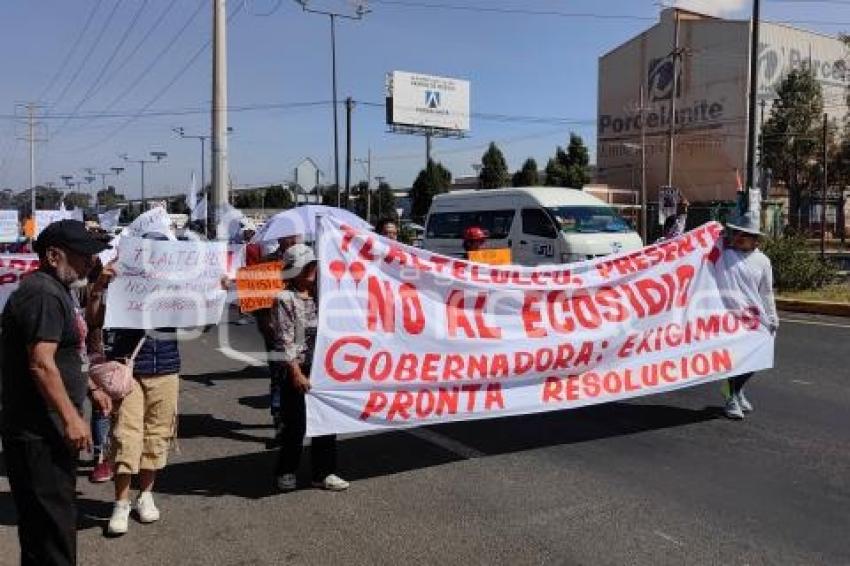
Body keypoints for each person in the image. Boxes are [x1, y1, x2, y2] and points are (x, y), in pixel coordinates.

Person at [1, 220, 112, 566]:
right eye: (83, 257)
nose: (90, 264)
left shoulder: (55, 289)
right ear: (53, 255)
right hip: (39, 433)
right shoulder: (43, 293)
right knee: (52, 532)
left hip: (46, 430)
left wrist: (90, 385)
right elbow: (41, 363)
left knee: (46, 529)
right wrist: (72, 419)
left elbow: (67, 352)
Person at [104, 233, 182, 536]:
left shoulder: (176, 285)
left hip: (165, 365)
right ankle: (120, 502)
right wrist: (102, 285)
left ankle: (145, 495)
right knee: (126, 434)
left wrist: (214, 294)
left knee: (157, 433)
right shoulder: (121, 280)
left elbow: (198, 321)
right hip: (129, 366)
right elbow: (97, 318)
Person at [270, 244, 348, 492]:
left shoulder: (323, 295)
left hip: (323, 368)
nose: (311, 270)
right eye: (306, 266)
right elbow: (285, 341)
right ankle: (286, 470)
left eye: (313, 264)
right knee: (296, 425)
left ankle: (323, 473)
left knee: (327, 422)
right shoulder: (285, 299)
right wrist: (295, 372)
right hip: (298, 369)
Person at [716, 210, 778, 420]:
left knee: (757, 358)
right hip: (729, 316)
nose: (738, 238)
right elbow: (705, 241)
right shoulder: (725, 255)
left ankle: (737, 389)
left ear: (755, 240)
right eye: (736, 233)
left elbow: (766, 292)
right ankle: (731, 397)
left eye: (745, 235)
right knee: (737, 358)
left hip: (755, 317)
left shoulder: (763, 261)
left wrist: (772, 316)